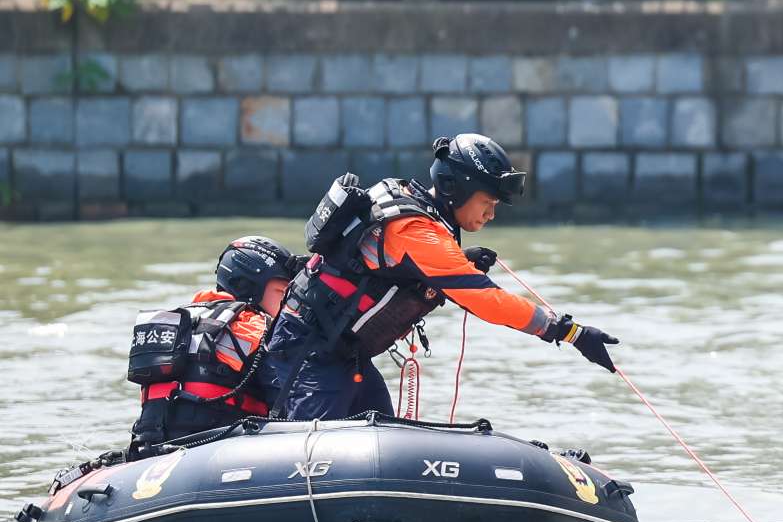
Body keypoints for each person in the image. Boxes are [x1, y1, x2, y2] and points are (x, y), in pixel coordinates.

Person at [262, 133, 619, 420]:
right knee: (320, 458)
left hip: (341, 352)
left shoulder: (420, 214)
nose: (491, 214)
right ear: (456, 189)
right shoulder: (417, 230)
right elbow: (487, 300)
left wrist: (459, 262)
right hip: (308, 348)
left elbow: (391, 268)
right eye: (488, 202)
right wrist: (567, 331)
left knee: (379, 433)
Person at [127, 236, 298, 452]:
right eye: (282, 292)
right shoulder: (252, 326)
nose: (287, 303)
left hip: (149, 449)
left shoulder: (180, 320)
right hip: (214, 452)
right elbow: (289, 406)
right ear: (249, 286)